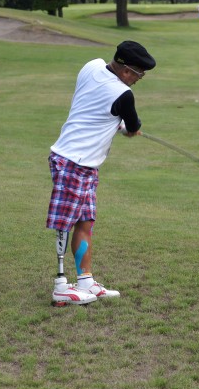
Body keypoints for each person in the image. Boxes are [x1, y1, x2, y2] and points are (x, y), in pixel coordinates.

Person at [47, 40, 156, 306]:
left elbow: (93, 104)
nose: (140, 79)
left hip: (83, 164)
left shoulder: (92, 65)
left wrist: (113, 123)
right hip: (73, 161)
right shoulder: (123, 95)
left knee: (85, 223)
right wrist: (128, 128)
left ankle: (85, 280)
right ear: (127, 70)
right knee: (65, 222)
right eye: (140, 74)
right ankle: (61, 285)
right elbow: (132, 126)